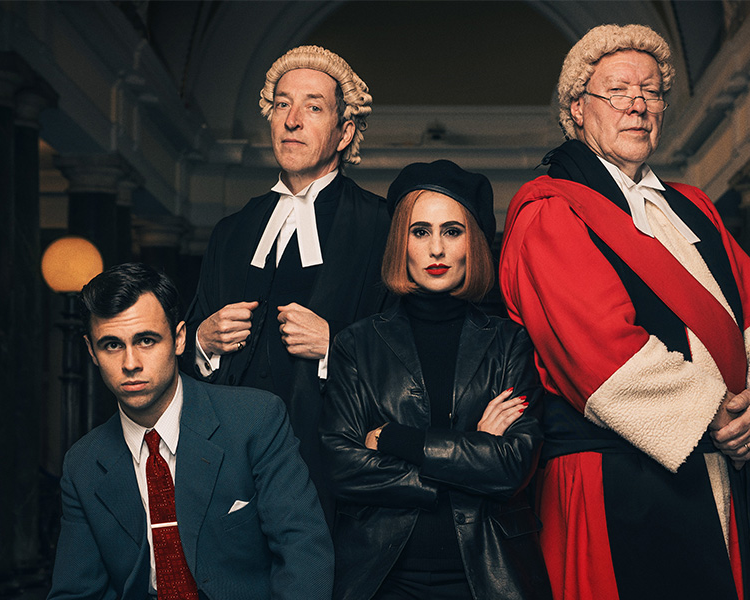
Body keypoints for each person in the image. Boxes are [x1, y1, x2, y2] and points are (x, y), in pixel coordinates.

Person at [497, 24, 750, 600]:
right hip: (612, 477)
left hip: (715, 466)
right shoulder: (550, 210)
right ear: (577, 110)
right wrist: (725, 417)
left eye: (651, 91)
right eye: (617, 91)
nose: (637, 104)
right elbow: (599, 354)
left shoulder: (693, 206)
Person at [321, 160, 551, 600]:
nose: (436, 250)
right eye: (420, 231)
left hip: (489, 573)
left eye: (453, 231)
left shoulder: (509, 342)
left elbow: (512, 467)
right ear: (400, 244)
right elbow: (342, 466)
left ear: (474, 244)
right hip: (383, 577)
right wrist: (471, 451)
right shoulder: (356, 345)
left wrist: (396, 440)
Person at [180, 46, 390, 519]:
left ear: (345, 132)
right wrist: (202, 342)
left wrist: (336, 346)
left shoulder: (380, 225)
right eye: (281, 104)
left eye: (313, 106)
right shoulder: (231, 231)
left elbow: (409, 355)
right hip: (230, 468)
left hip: (331, 472)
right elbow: (189, 352)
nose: (292, 120)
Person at [49, 263, 332, 600]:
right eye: (112, 345)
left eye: (146, 340)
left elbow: (304, 554)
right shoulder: (83, 464)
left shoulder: (255, 420)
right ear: (91, 351)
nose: (130, 363)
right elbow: (76, 592)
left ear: (179, 339)